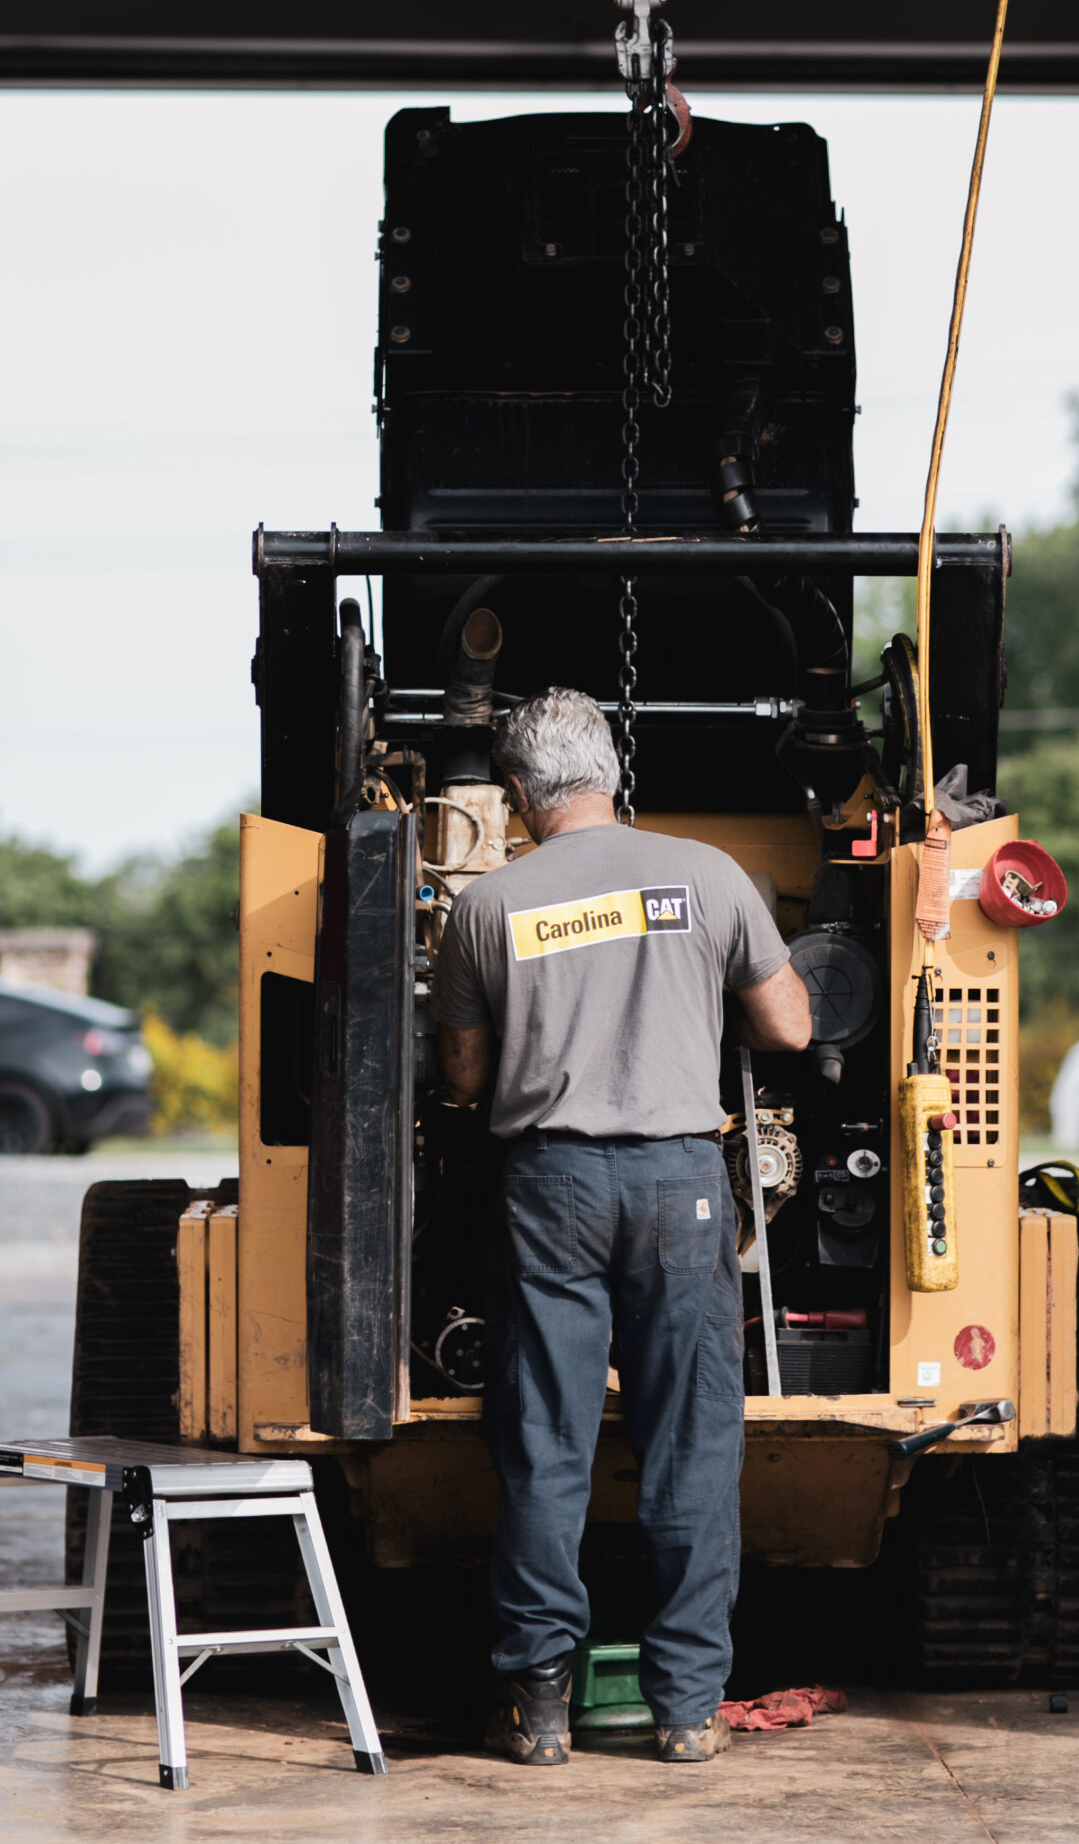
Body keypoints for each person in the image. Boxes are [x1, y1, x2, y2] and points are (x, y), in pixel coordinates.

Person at [431, 686, 812, 1769]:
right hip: (682, 1182)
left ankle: (538, 1706)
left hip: (547, 1182)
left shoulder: (487, 906)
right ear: (612, 772)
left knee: (545, 1439)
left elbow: (458, 1078)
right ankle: (687, 1706)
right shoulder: (707, 875)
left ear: (516, 795)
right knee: (690, 1442)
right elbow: (790, 1023)